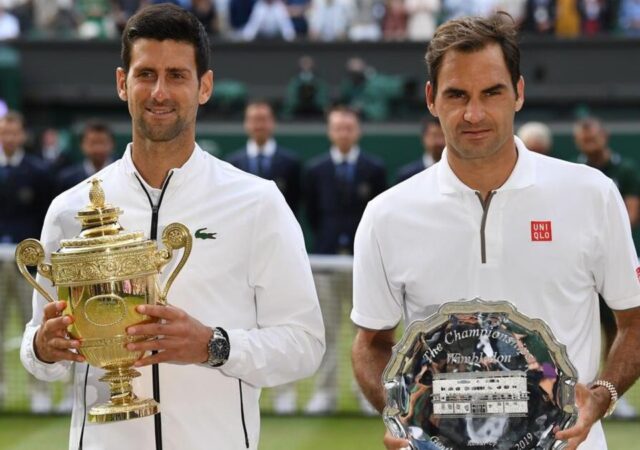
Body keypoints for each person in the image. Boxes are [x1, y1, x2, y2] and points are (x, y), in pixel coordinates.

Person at [20, 5, 324, 450]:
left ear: (204, 86)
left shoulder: (257, 201)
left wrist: (212, 346)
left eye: (177, 75)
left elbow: (305, 344)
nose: (159, 92)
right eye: (146, 74)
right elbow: (37, 351)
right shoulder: (70, 209)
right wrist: (45, 347)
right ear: (123, 83)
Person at [350, 13, 640, 450]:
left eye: (492, 92)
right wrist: (398, 414)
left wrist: (600, 397)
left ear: (519, 93)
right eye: (456, 95)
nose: (474, 113)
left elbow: (634, 322)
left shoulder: (592, 193)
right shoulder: (386, 214)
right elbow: (370, 343)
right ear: (431, 99)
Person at [304, 105, 386, 414]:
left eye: (349, 128)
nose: (343, 133)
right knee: (326, 330)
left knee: (366, 331)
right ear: (330, 131)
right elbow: (312, 214)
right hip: (325, 262)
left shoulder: (374, 168)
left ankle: (366, 394)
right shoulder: (316, 170)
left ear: (358, 131)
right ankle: (325, 394)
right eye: (338, 128)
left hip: (361, 264)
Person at [574, 116, 640, 419]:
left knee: (618, 328)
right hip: (580, 266)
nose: (589, 144)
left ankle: (613, 393)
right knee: (580, 326)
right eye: (584, 139)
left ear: (605, 136)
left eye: (593, 138)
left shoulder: (624, 170)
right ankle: (575, 392)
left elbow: (629, 214)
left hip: (616, 263)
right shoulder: (573, 173)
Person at [0, 111, 53, 413]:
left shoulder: (38, 172)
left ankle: (40, 393)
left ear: (21, 136)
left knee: (34, 324)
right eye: (3, 131)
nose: (8, 137)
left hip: (25, 264)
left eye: (13, 132)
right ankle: (2, 390)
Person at [227, 101, 302, 216]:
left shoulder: (291, 163)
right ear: (246, 123)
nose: (259, 125)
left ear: (273, 122)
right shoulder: (233, 163)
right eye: (254, 120)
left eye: (263, 119)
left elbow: (295, 203)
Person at [55, 119, 116, 195]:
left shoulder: (121, 177)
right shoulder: (67, 179)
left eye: (103, 142)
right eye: (92, 143)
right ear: (82, 145)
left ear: (112, 144)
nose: (98, 149)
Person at [395, 116, 445, 184]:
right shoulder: (408, 175)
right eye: (434, 135)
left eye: (444, 136)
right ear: (423, 138)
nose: (440, 142)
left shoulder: (459, 173)